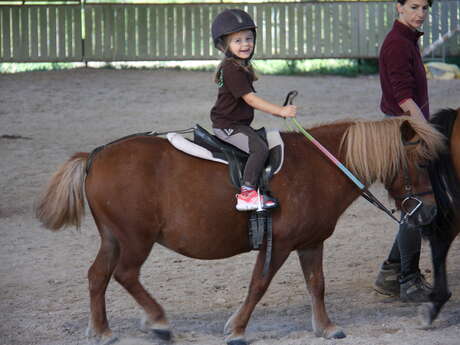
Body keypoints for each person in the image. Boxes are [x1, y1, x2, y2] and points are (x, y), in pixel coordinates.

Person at [373, 0, 433, 302]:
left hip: (408, 128)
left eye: (424, 7)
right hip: (403, 132)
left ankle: (390, 271)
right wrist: (428, 135)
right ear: (398, 7)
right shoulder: (397, 44)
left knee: (418, 205)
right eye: (413, 6)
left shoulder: (408, 40)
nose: (420, 13)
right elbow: (404, 97)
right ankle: (407, 281)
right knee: (416, 205)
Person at [210, 9, 296, 211]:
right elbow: (251, 99)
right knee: (259, 149)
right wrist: (280, 111)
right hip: (228, 126)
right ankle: (247, 195)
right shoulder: (231, 68)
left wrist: (278, 111)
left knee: (261, 141)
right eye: (237, 40)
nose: (245, 44)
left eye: (248, 38)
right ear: (225, 45)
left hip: (238, 124)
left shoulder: (240, 66)